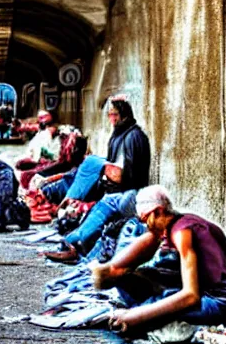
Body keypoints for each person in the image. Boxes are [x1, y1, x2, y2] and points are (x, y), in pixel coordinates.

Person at [93, 185, 226, 333]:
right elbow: (145, 247)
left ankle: (139, 313)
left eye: (146, 220)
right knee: (133, 282)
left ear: (158, 211)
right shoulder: (179, 223)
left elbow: (190, 296)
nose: (148, 227)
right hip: (218, 297)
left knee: (152, 308)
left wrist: (135, 316)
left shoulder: (182, 232)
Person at [43, 96, 151, 262]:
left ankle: (75, 245)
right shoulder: (117, 136)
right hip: (113, 194)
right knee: (84, 229)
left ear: (124, 114)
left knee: (93, 164)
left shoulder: (134, 136)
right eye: (109, 115)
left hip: (129, 194)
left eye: (115, 114)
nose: (112, 119)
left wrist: (104, 169)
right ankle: (70, 246)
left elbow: (130, 177)